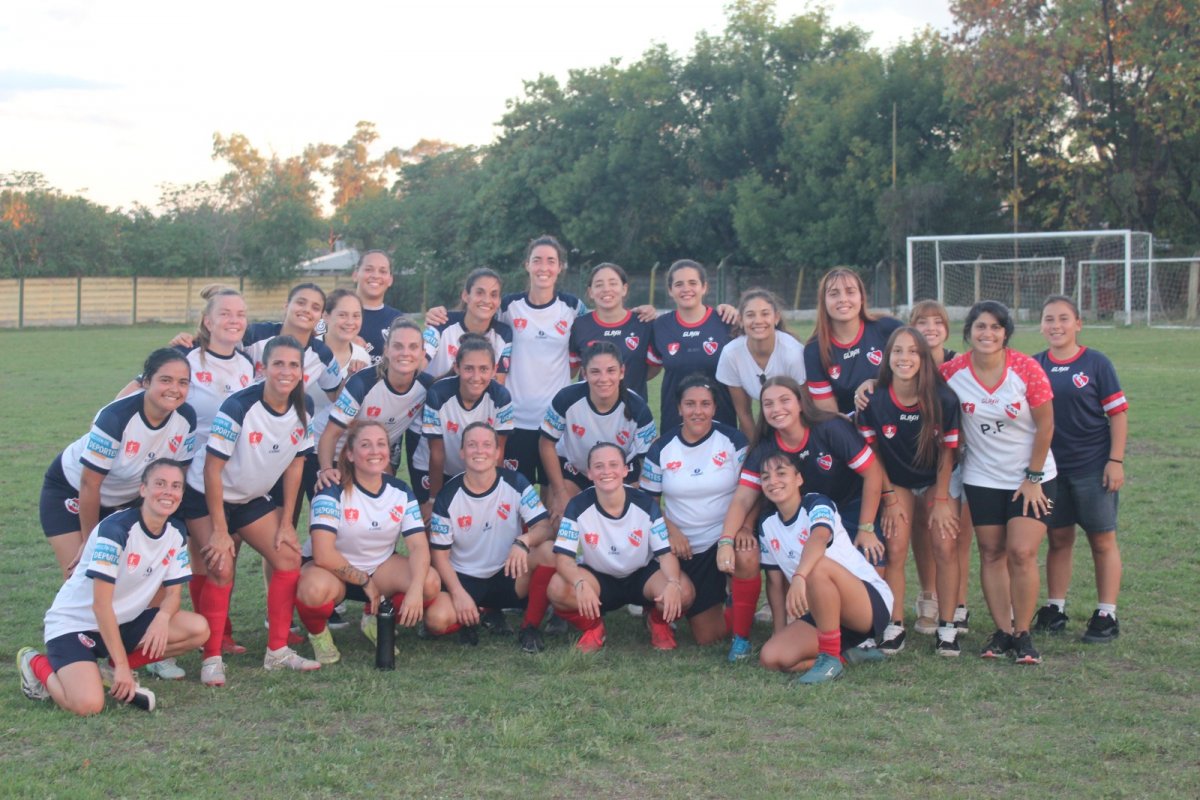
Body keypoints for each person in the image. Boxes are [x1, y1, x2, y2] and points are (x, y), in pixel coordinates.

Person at [18, 460, 209, 715]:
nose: (168, 492)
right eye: (160, 484)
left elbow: (174, 593)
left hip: (122, 622)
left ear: (182, 494)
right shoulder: (116, 530)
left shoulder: (175, 531)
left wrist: (163, 617)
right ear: (143, 489)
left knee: (198, 629)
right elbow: (100, 605)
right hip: (76, 624)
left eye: (175, 486)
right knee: (88, 705)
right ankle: (35, 662)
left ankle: (107, 670)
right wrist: (123, 666)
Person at [716, 377, 886, 662]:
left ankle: (867, 632)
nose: (776, 409)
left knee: (862, 558)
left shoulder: (830, 428)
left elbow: (872, 472)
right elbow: (743, 498)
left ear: (800, 403)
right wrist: (726, 541)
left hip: (849, 504)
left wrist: (867, 527)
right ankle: (836, 645)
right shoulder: (765, 448)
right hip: (805, 512)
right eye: (768, 404)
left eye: (784, 400)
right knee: (804, 567)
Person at [186, 336, 322, 686]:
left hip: (250, 497)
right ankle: (212, 657)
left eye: (293, 365)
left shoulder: (303, 406)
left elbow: (296, 463)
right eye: (278, 364)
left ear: (302, 371)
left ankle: (277, 652)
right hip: (205, 495)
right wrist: (220, 531)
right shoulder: (239, 406)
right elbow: (212, 469)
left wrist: (287, 522)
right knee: (221, 566)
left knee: (288, 557)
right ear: (263, 368)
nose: (286, 371)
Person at [942, 300, 1056, 665]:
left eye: (995, 327)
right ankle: (1002, 631)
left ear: (1006, 333)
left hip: (1031, 476)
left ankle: (1023, 633)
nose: (987, 333)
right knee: (991, 552)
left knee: (1021, 552)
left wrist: (1033, 477)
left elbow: (1046, 426)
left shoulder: (1026, 368)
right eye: (980, 326)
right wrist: (870, 383)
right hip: (983, 476)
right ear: (969, 332)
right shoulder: (952, 371)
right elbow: (911, 381)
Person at [855, 299, 972, 637]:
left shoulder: (944, 396)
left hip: (939, 478)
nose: (904, 358)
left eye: (912, 352)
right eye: (897, 352)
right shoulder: (874, 399)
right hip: (898, 482)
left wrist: (941, 500)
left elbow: (948, 453)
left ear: (923, 358)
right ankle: (895, 625)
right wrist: (890, 498)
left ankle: (948, 623)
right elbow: (875, 455)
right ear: (886, 357)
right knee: (895, 547)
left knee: (945, 544)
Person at [295, 420, 454, 664]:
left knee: (428, 582)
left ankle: (375, 618)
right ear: (350, 453)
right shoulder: (331, 489)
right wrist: (364, 581)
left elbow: (418, 546)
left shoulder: (401, 491)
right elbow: (323, 554)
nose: (375, 451)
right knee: (313, 590)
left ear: (389, 451)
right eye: (365, 445)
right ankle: (318, 634)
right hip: (332, 572)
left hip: (380, 568)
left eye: (381, 444)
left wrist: (414, 589)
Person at [39, 348, 198, 577]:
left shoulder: (186, 418)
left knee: (133, 577)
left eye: (183, 382)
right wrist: (91, 542)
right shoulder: (115, 417)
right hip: (73, 490)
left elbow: (176, 477)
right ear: (146, 381)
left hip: (126, 500)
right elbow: (89, 483)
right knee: (83, 577)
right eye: (165, 380)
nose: (175, 389)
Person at [1033, 295, 1128, 643]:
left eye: (1063, 318)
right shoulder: (1034, 365)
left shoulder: (1096, 363)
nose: (1056, 325)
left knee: (1102, 539)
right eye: (1049, 319)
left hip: (1092, 466)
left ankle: (1106, 614)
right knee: (1058, 538)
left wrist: (1115, 461)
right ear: (1041, 326)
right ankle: (1055, 608)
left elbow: (1117, 414)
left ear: (1078, 323)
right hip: (1051, 470)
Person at [755, 453, 894, 684]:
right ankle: (847, 655)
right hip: (823, 611)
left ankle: (829, 658)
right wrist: (779, 631)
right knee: (771, 657)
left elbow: (819, 538)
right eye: (765, 477)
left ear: (798, 479)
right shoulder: (767, 524)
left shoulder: (817, 503)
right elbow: (774, 582)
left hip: (868, 603)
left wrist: (799, 576)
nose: (773, 481)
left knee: (816, 565)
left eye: (781, 473)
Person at [546, 442, 695, 652]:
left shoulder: (645, 503)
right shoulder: (577, 505)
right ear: (589, 473)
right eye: (599, 466)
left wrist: (672, 582)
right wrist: (579, 582)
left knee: (684, 591)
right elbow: (564, 558)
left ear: (625, 470)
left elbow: (665, 554)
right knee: (557, 588)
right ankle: (594, 627)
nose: (606, 471)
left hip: (642, 576)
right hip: (599, 577)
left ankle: (657, 621)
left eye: (613, 465)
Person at [429, 422, 558, 652]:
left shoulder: (516, 482)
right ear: (462, 452)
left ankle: (530, 627)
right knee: (436, 620)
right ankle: (469, 617)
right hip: (465, 579)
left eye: (487, 445)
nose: (480, 450)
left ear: (498, 452)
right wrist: (458, 594)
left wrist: (523, 541)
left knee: (549, 551)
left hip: (508, 573)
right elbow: (439, 557)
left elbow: (545, 527)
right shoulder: (447, 496)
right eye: (472, 445)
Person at [641, 375, 749, 647]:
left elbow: (750, 494)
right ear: (679, 408)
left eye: (705, 404)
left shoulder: (734, 441)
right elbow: (648, 503)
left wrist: (739, 530)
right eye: (690, 404)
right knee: (707, 636)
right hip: (683, 547)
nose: (697, 411)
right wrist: (671, 530)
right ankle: (661, 613)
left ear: (715, 408)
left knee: (747, 552)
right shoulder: (662, 448)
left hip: (722, 539)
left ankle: (740, 615)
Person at [315, 318, 433, 499]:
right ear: (386, 350)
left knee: (384, 503)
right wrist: (326, 469)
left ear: (423, 353)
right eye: (398, 346)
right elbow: (329, 435)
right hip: (325, 451)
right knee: (334, 508)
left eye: (413, 347)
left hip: (367, 454)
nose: (405, 353)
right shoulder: (363, 383)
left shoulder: (426, 387)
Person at [540, 341, 656, 522]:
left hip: (619, 472)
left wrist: (643, 498)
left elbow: (648, 460)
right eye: (595, 372)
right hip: (576, 470)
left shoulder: (637, 407)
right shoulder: (566, 398)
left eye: (611, 370)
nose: (603, 379)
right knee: (559, 520)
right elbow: (546, 443)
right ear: (584, 373)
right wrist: (560, 493)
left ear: (622, 372)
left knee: (632, 520)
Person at [416, 334, 514, 513]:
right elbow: (437, 452)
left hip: (478, 470)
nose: (476, 377)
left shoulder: (501, 397)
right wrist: (434, 499)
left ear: (494, 370)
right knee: (435, 520)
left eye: (484, 369)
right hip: (438, 470)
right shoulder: (438, 394)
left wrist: (492, 493)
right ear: (457, 367)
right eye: (469, 368)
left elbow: (497, 453)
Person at [648, 260, 737, 432]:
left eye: (692, 283)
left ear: (704, 287)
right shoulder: (660, 326)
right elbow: (648, 370)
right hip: (675, 423)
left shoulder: (726, 322)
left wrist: (738, 314)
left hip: (721, 424)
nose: (686, 289)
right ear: (670, 290)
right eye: (679, 284)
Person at [804, 267, 902, 415]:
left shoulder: (888, 328)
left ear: (861, 298)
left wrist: (877, 383)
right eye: (834, 294)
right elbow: (829, 415)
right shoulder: (814, 350)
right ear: (823, 302)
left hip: (894, 418)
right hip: (848, 425)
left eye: (850, 292)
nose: (843, 299)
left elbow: (917, 369)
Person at [716, 288, 806, 438]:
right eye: (750, 315)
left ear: (776, 318)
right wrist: (757, 448)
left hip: (796, 422)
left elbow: (805, 406)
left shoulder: (793, 353)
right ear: (741, 320)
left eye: (765, 314)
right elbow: (744, 413)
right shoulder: (731, 354)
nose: (758, 321)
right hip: (768, 420)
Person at [570, 263, 658, 399]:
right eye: (599, 285)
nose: (606, 289)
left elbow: (654, 368)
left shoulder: (643, 323)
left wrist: (629, 380)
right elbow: (573, 369)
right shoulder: (579, 325)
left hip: (631, 408)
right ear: (591, 292)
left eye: (613, 283)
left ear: (624, 289)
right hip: (589, 408)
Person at [422, 267, 513, 381]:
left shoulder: (504, 334)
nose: (487, 300)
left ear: (499, 301)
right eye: (479, 293)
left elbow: (498, 384)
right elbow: (419, 362)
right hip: (434, 392)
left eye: (493, 295)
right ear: (465, 295)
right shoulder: (441, 321)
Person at [349, 249, 405, 364]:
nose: (375, 276)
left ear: (390, 280)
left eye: (383, 271)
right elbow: (316, 340)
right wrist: (341, 341)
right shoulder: (334, 311)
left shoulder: (398, 320)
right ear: (355, 275)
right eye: (369, 269)